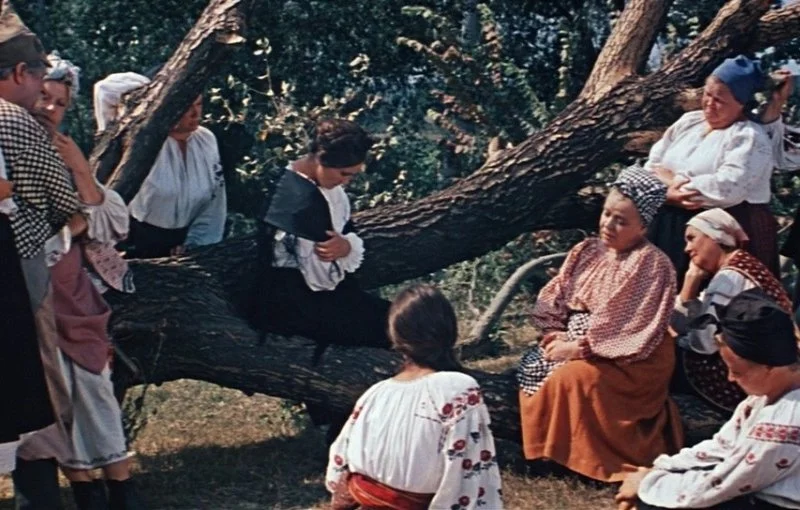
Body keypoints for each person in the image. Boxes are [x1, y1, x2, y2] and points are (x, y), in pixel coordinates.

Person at [17, 53, 145, 510]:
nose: (49, 109)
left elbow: (105, 223)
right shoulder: (12, 149)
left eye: (60, 104)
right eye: (44, 98)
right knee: (57, 398)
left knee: (95, 389)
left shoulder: (63, 155)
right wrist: (71, 223)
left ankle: (120, 491)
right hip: (31, 294)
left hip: (72, 292)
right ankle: (85, 490)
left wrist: (80, 168)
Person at [517, 165, 683, 483]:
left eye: (621, 221)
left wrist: (578, 348)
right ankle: (544, 451)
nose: (608, 225)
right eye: (607, 214)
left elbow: (629, 326)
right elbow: (556, 293)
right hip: (578, 338)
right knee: (532, 367)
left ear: (643, 227)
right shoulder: (587, 250)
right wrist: (554, 332)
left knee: (575, 378)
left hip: (631, 355)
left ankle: (585, 460)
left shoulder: (651, 264)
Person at [617, 289, 800, 510]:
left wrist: (646, 484)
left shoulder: (787, 420)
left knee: (652, 503)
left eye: (737, 372)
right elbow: (720, 448)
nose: (730, 378)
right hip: (750, 488)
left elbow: (725, 481)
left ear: (769, 367)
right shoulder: (761, 400)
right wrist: (658, 469)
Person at [0, 2, 80, 506]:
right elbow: (62, 199)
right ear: (20, 73)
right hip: (20, 263)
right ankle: (39, 493)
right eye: (37, 77)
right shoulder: (15, 120)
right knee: (36, 377)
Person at [325, 284, 503, 510]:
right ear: (449, 331)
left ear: (395, 335)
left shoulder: (375, 394)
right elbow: (469, 478)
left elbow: (338, 470)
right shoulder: (458, 390)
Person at [646, 55, 794, 281]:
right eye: (707, 94)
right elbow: (652, 164)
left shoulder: (749, 137)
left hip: (723, 232)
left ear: (741, 104)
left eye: (719, 100)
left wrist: (670, 181)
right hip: (669, 224)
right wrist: (667, 193)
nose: (709, 104)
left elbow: (726, 187)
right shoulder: (689, 121)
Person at [251, 118, 391, 351]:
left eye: (352, 175)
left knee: (402, 318)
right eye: (343, 173)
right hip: (293, 302)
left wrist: (347, 247)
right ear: (320, 160)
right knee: (394, 327)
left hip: (319, 292)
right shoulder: (300, 200)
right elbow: (320, 278)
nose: (346, 181)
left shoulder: (328, 189)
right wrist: (345, 251)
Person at [671, 208, 792, 413]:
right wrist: (690, 286)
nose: (687, 248)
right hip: (770, 364)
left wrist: (689, 289)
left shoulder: (729, 277)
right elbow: (684, 322)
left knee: (669, 350)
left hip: (754, 371)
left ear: (715, 237)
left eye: (692, 238)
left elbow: (705, 343)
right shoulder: (742, 266)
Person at [94, 71, 226, 258]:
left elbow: (215, 201)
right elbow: (106, 90)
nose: (195, 114)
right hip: (132, 243)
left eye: (198, 104)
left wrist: (196, 244)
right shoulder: (140, 139)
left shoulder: (205, 139)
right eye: (186, 106)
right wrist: (159, 90)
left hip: (181, 245)